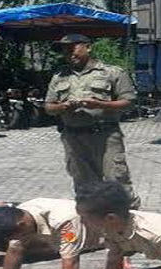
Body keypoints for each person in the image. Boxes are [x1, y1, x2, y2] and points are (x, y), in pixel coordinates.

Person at [44, 33, 141, 209]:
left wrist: (100, 104)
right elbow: (49, 107)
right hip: (73, 138)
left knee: (116, 181)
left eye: (72, 48)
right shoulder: (59, 76)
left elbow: (129, 103)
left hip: (105, 136)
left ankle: (132, 225)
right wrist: (64, 106)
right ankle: (93, 227)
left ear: (88, 47)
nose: (68, 53)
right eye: (64, 50)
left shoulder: (112, 72)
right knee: (84, 186)